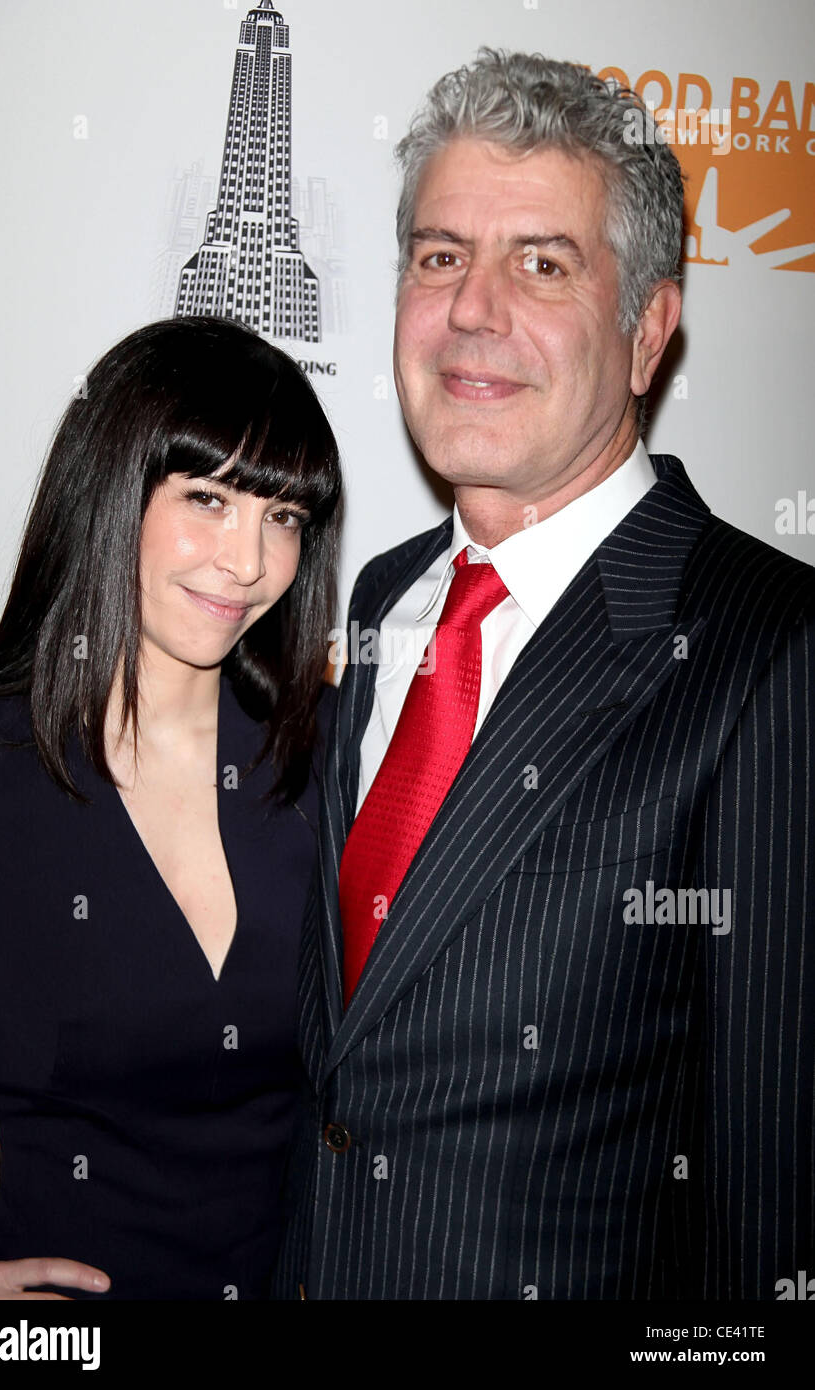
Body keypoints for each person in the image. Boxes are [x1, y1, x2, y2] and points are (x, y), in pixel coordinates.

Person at [272, 50, 815, 1300]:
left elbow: (772, 1203)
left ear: (646, 335)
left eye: (543, 263)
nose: (470, 310)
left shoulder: (766, 650)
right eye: (438, 254)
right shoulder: (376, 596)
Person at [0, 315, 341, 1299]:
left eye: (283, 515)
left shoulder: (335, 749)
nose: (249, 560)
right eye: (207, 498)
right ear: (110, 488)